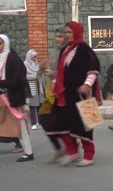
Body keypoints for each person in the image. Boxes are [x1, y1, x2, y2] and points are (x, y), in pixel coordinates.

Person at [48, 22, 102, 167]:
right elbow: (62, 72)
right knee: (61, 122)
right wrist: (55, 81)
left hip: (81, 94)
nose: (66, 35)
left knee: (84, 124)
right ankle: (72, 151)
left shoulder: (85, 50)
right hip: (65, 94)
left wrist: (87, 84)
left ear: (77, 32)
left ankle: (89, 155)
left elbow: (93, 69)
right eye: (65, 32)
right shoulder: (65, 50)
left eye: (69, 32)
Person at [0, 34, 34, 162]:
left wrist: (2, 83)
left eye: (0, 43)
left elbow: (17, 80)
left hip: (14, 96)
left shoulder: (13, 59)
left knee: (21, 125)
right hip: (3, 97)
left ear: (6, 44)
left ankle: (28, 152)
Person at [38, 27, 67, 163]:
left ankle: (68, 147)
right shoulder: (55, 53)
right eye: (56, 36)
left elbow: (70, 73)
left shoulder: (69, 53)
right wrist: (42, 69)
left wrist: (53, 74)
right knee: (43, 117)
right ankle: (59, 147)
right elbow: (45, 68)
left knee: (64, 120)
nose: (57, 39)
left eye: (60, 37)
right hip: (52, 92)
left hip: (65, 92)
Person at [24, 49, 43, 130]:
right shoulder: (25, 65)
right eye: (34, 57)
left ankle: (39, 122)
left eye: (36, 56)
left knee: (39, 104)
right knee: (32, 106)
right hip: (31, 87)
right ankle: (33, 123)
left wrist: (41, 74)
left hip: (38, 86)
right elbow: (25, 77)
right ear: (30, 57)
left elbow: (39, 74)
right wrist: (36, 74)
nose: (35, 58)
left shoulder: (36, 64)